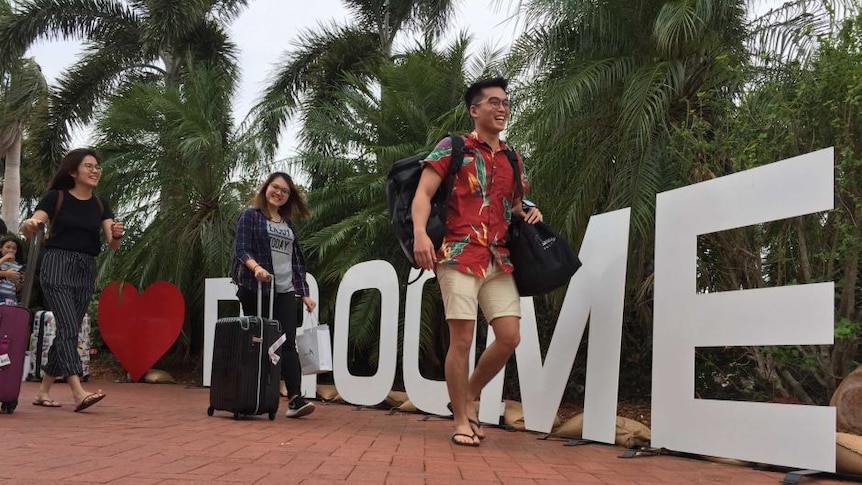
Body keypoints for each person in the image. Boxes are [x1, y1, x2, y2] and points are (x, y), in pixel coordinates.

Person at [412, 77, 543, 447]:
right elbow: (424, 192)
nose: (502, 108)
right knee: (463, 339)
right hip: (457, 254)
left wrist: (530, 211)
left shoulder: (512, 157)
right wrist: (421, 234)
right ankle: (460, 419)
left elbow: (513, 204)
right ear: (475, 110)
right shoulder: (452, 148)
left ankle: (468, 393)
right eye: (493, 102)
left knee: (509, 336)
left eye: (506, 102)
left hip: (499, 259)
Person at [20, 148, 124, 411]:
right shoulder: (56, 197)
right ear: (73, 171)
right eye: (88, 166)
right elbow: (34, 222)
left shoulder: (100, 204)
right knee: (68, 328)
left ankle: (43, 392)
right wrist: (30, 223)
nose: (95, 170)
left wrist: (117, 234)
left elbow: (112, 244)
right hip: (57, 265)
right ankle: (78, 392)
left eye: (97, 166)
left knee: (68, 330)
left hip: (85, 268)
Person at [232, 172, 317, 418]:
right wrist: (257, 268)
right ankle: (251, 397)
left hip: (284, 291)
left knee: (287, 343)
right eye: (275, 187)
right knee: (257, 342)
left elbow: (295, 262)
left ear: (289, 197)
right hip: (256, 288)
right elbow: (242, 248)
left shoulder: (288, 225)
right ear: (266, 188)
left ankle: (295, 399)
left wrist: (304, 295)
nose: (278, 193)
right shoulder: (251, 215)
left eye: (285, 191)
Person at [0, 234, 23, 304]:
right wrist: (4, 259)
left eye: (14, 248)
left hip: (10, 295)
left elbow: (18, 288)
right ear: (1, 248)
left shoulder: (18, 266)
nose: (11, 250)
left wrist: (18, 282)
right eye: (8, 247)